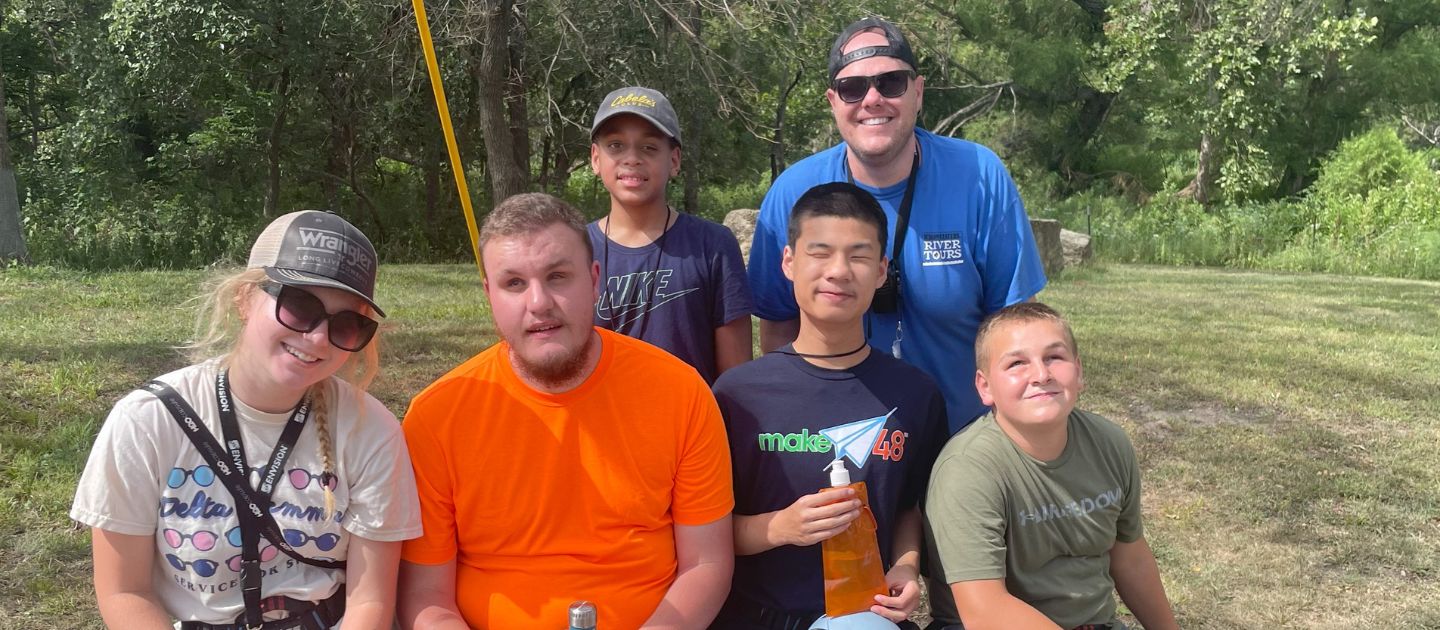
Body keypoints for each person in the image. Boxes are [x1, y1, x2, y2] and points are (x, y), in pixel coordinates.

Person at [397, 193, 735, 630]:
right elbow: (426, 596)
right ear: (489, 294)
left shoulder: (680, 391)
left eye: (558, 276)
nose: (538, 303)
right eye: (514, 283)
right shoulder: (436, 416)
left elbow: (706, 565)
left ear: (595, 280)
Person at [72, 210, 422, 629]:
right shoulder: (148, 421)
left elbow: (370, 602)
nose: (315, 338)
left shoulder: (370, 429)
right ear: (244, 298)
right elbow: (125, 591)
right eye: (299, 305)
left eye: (345, 325)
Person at [748, 16, 1048, 434]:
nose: (872, 99)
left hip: (961, 441)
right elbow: (778, 323)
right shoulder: (793, 191)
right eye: (853, 88)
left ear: (918, 91)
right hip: (836, 443)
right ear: (833, 100)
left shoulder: (979, 174)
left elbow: (1016, 324)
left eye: (891, 83)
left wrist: (1011, 438)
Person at [711, 183, 947, 630]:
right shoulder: (737, 394)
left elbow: (907, 508)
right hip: (755, 616)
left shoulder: (915, 394)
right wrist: (778, 527)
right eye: (820, 253)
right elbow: (702, 532)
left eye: (858, 256)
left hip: (866, 615)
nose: (838, 271)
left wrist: (906, 566)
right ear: (788, 262)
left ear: (881, 271)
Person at [923, 303, 1179, 630]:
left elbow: (1130, 558)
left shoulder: (1110, 444)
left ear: (1079, 371)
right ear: (985, 387)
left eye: (1054, 358)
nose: (1041, 375)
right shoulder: (967, 470)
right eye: (1017, 363)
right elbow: (985, 610)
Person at [587, 85, 755, 384]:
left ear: (674, 160)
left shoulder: (713, 245)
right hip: (599, 426)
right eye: (615, 145)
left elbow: (736, 376)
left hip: (691, 426)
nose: (631, 158)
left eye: (649, 147)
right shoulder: (576, 250)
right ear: (596, 159)